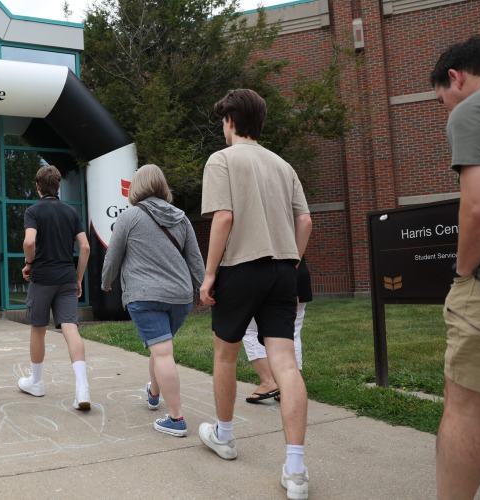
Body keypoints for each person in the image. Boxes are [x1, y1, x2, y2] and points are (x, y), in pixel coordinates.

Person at [199, 89, 312, 499]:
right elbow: (305, 221)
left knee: (224, 353)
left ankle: (225, 437)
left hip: (240, 267)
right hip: (284, 269)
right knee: (285, 362)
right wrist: (293, 263)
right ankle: (296, 470)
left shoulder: (222, 160)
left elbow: (224, 217)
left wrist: (209, 274)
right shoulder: (283, 165)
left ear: (230, 119)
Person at [429, 35, 480, 499]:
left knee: (465, 409)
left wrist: (463, 270)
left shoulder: (476, 109)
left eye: (442, 99)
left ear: (456, 77)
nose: (446, 109)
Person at [100, 164, 204, 436]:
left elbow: (113, 256)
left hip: (145, 295)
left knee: (162, 352)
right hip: (181, 296)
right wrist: (203, 287)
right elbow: (195, 259)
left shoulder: (130, 216)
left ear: (137, 187)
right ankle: (154, 392)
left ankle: (177, 418)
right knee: (160, 348)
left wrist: (105, 281)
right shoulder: (181, 218)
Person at [17, 165, 92, 411]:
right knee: (71, 329)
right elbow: (85, 248)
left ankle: (36, 382)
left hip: (42, 278)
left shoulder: (33, 211)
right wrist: (78, 278)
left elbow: (29, 241)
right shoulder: (71, 213)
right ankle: (82, 388)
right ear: (58, 186)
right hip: (66, 277)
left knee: (38, 329)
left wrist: (29, 263)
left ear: (38, 186)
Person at [243, 258, 312, 404]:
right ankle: (290, 386)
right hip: (295, 274)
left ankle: (268, 382)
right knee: (293, 332)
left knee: (250, 329)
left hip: (266, 276)